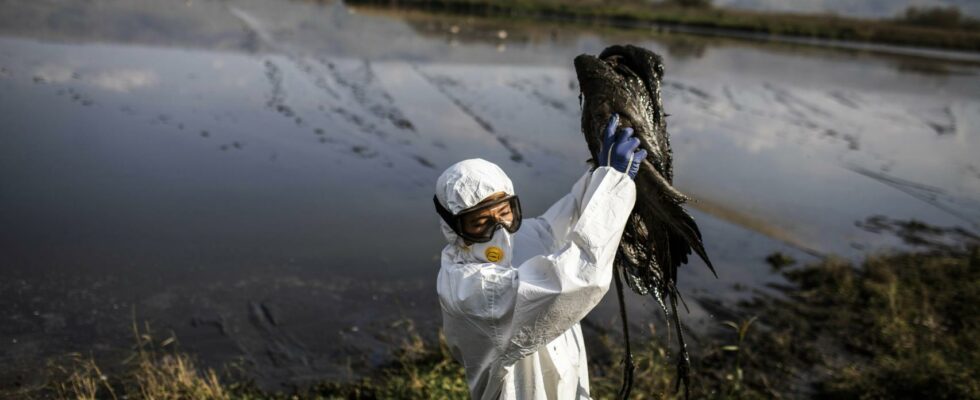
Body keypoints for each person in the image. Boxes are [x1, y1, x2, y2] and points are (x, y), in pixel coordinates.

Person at [434, 113, 647, 400]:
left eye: (504, 211)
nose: (499, 229)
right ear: (454, 227)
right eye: (479, 222)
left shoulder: (522, 236)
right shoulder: (468, 290)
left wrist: (601, 174)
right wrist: (613, 186)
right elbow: (574, 279)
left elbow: (565, 220)